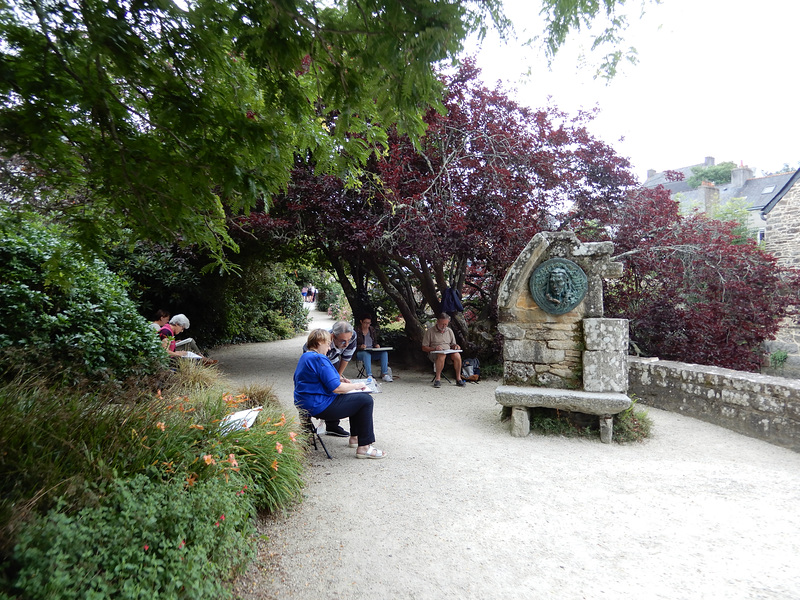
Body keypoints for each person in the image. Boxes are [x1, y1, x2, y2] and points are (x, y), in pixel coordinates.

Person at [294, 329, 386, 459]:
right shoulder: (319, 358)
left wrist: (340, 379)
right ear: (319, 342)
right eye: (327, 344)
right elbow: (336, 388)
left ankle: (355, 438)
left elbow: (317, 379)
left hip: (306, 404)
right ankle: (364, 447)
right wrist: (357, 386)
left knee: (356, 399)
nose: (329, 347)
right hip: (320, 406)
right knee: (366, 400)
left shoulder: (305, 357)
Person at [301, 320, 358, 437]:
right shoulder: (319, 344)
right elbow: (313, 367)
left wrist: (338, 376)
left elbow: (346, 357)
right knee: (317, 385)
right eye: (343, 341)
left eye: (349, 340)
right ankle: (306, 428)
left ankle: (332, 425)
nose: (347, 344)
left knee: (334, 383)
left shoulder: (351, 335)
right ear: (333, 336)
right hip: (321, 357)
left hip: (334, 358)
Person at [421, 313, 465, 388]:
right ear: (437, 322)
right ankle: (438, 379)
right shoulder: (430, 331)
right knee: (442, 355)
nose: (444, 326)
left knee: (457, 355)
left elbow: (453, 344)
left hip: (448, 351)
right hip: (435, 353)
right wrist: (434, 348)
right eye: (442, 324)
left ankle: (458, 378)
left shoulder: (449, 331)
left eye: (446, 324)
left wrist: (456, 346)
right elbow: (424, 347)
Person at [355, 316, 392, 382]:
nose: (367, 325)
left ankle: (384, 374)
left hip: (371, 350)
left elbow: (374, 342)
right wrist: (360, 346)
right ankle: (369, 375)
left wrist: (376, 345)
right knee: (366, 354)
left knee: (384, 353)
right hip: (361, 352)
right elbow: (353, 345)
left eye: (369, 323)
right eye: (365, 323)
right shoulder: (356, 331)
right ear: (361, 322)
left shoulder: (371, 330)